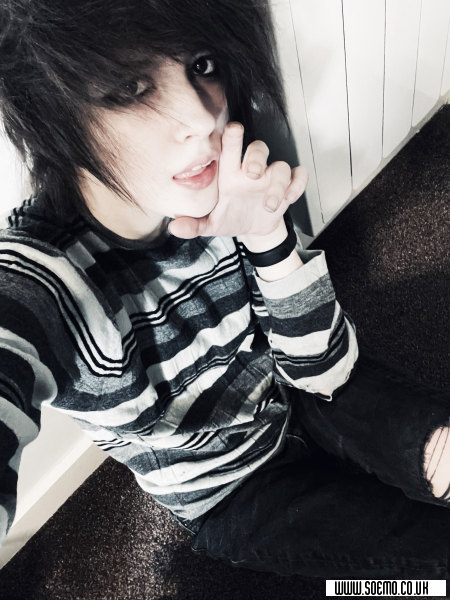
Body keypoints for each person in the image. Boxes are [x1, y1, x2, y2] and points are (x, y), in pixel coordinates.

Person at [0, 0, 449, 586]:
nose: (203, 117)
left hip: (299, 392)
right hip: (228, 489)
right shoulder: (44, 279)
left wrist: (265, 234)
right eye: (131, 86)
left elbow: (324, 368)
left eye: (203, 65)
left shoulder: (224, 183)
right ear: (52, 112)